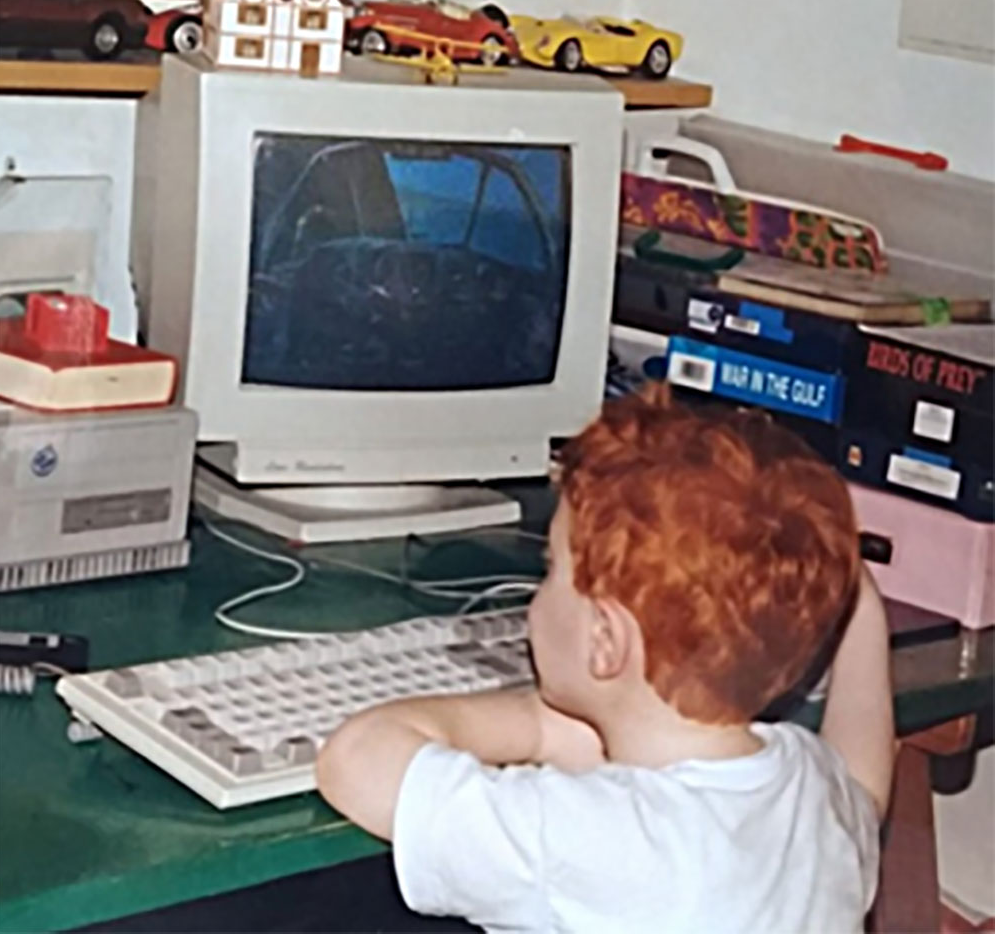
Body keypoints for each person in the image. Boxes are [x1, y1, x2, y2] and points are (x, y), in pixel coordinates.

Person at [316, 384, 895, 934]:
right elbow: (866, 783)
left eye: (551, 572)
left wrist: (537, 723)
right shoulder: (812, 794)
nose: (539, 594)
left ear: (604, 641)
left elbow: (355, 760)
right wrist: (860, 607)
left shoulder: (584, 834)